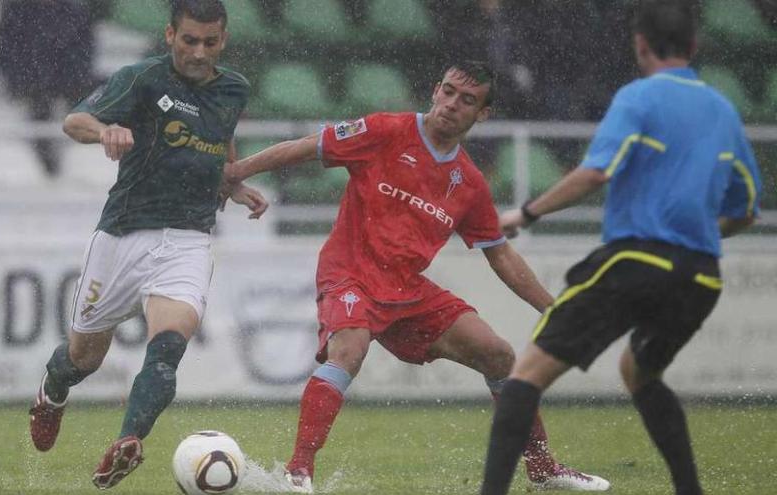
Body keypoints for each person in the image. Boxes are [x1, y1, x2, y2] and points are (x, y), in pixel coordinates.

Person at [224, 60, 610, 493]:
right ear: (434, 90)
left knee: (499, 355)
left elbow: (500, 255)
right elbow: (307, 147)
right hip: (349, 273)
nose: (451, 105)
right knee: (348, 350)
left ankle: (543, 470)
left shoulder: (469, 184)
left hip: (408, 291)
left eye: (467, 100)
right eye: (447, 92)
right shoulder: (385, 130)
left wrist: (552, 308)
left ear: (482, 115)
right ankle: (298, 474)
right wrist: (236, 173)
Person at [481, 2, 762, 494]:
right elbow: (745, 211)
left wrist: (526, 214)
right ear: (693, 48)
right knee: (640, 372)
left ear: (639, 45)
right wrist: (694, 234)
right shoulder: (723, 110)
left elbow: (594, 173)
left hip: (638, 261)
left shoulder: (639, 97)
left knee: (524, 376)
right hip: (700, 276)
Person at [27, 0, 268, 489]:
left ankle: (129, 441)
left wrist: (232, 183)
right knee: (83, 359)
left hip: (189, 238)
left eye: (210, 42)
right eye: (189, 41)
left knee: (167, 347)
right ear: (169, 35)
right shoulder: (143, 79)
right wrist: (105, 130)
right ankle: (52, 393)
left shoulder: (234, 88)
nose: (199, 52)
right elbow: (73, 121)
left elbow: (221, 137)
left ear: (223, 39)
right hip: (124, 234)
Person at [0, 0, 105, 177]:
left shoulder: (74, 12)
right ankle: (45, 161)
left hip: (67, 80)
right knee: (40, 106)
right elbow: (3, 53)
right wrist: (27, 77)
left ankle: (87, 157)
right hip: (30, 82)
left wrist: (70, 78)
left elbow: (84, 52)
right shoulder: (17, 11)